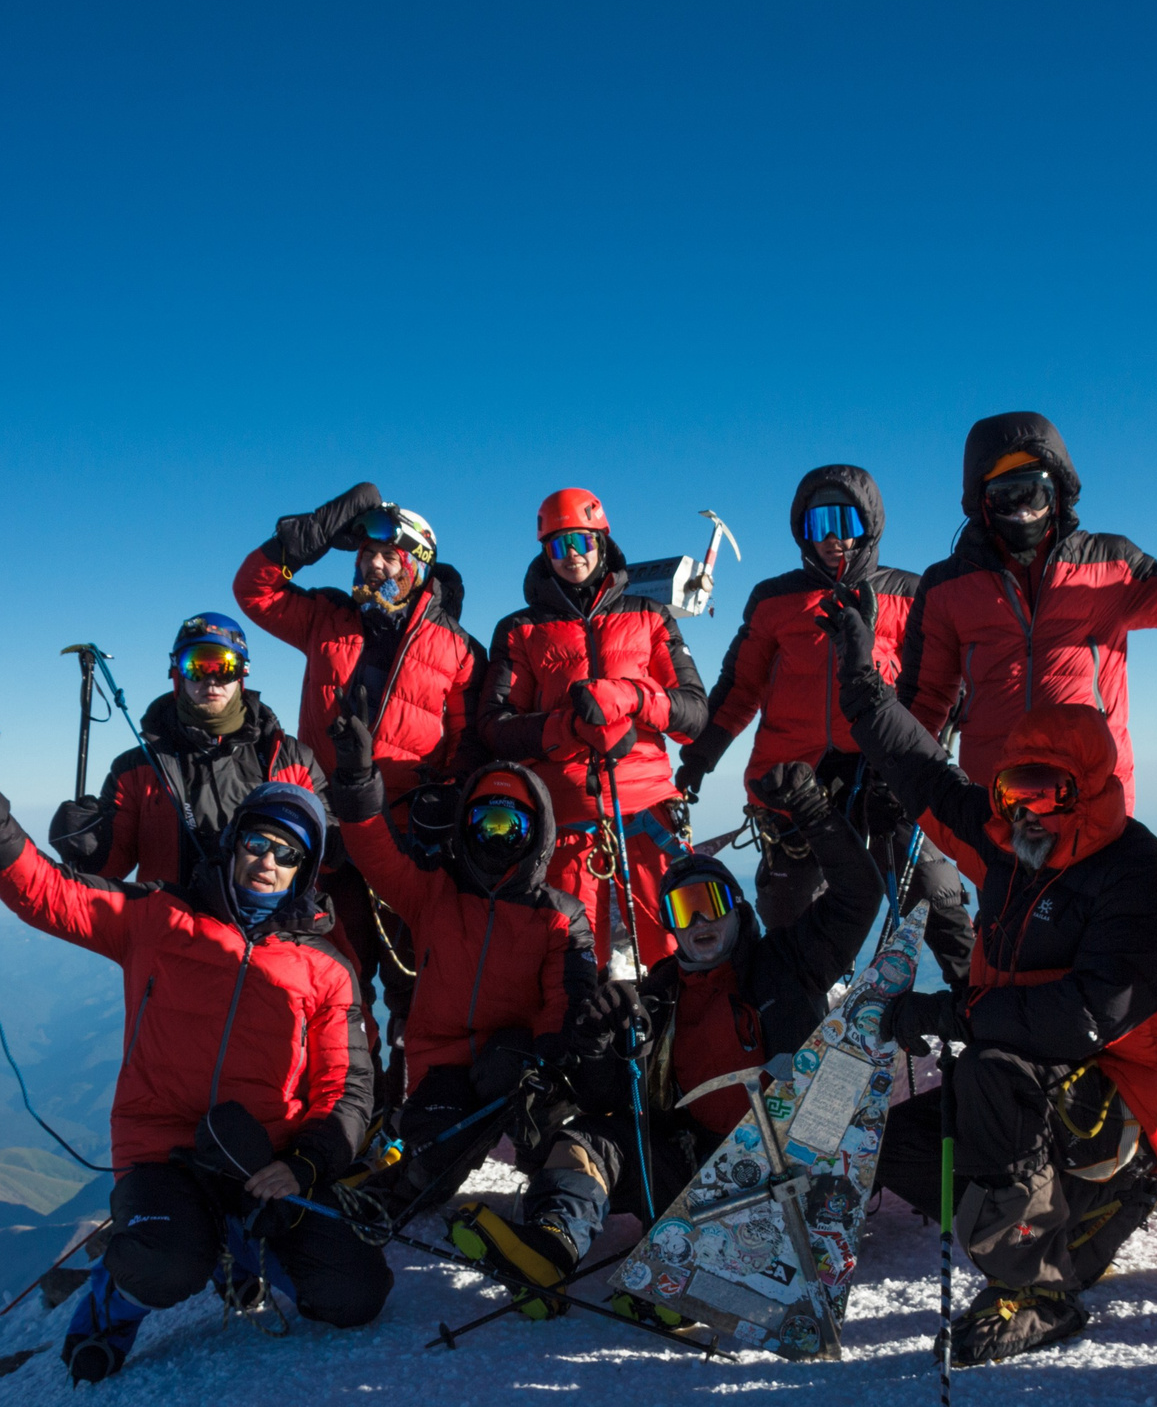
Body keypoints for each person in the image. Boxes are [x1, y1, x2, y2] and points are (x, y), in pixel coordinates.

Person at [0, 740, 388, 1383]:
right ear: (234, 842)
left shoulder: (327, 969)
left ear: (303, 873)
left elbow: (348, 1087)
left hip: (264, 1160)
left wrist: (303, 1166)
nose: (268, 861)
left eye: (288, 854)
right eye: (258, 841)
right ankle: (110, 1312)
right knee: (166, 1264)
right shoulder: (158, 918)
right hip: (164, 1150)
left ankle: (243, 1255)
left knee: (354, 1294)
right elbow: (48, 893)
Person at [824, 597, 1157, 1367]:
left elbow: (1086, 1017)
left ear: (1086, 788)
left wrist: (953, 1012)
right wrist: (861, 678)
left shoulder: (1139, 877)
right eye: (1009, 793)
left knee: (991, 1074)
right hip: (1038, 1075)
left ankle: (1041, 1281)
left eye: (1045, 793)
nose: (1022, 813)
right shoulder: (1012, 848)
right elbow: (922, 772)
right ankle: (1048, 1209)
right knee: (901, 1148)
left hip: (1122, 1085)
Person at [440, 761, 883, 1312]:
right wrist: (600, 1040)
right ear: (670, 927)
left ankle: (701, 1281)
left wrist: (814, 813)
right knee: (591, 1139)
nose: (700, 920)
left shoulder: (791, 963)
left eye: (711, 903)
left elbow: (860, 895)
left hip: (785, 1173)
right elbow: (612, 1103)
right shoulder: (660, 996)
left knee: (750, 1196)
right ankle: (550, 1248)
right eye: (683, 908)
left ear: (738, 911)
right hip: (696, 1169)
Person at [679, 463, 973, 987]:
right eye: (819, 525)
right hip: (795, 779)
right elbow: (740, 686)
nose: (834, 538)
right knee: (795, 917)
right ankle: (802, 1023)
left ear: (871, 524)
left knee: (932, 889)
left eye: (847, 520)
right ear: (801, 532)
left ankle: (977, 999)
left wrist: (920, 763)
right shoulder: (774, 599)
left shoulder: (910, 593)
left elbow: (942, 688)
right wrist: (701, 757)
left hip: (887, 774)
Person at [322, 696, 604, 1222]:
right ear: (464, 828)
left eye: (510, 826)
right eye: (484, 824)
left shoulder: (558, 915)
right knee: (431, 1166)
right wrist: (358, 778)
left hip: (517, 1062)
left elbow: (568, 996)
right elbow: (375, 853)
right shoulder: (435, 892)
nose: (495, 838)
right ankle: (385, 1194)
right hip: (441, 1066)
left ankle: (555, 1215)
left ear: (535, 834)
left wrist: (547, 1059)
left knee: (554, 1131)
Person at [897, 410, 1157, 808]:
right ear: (983, 504)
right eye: (1007, 497)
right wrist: (897, 776)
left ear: (1057, 493)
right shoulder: (946, 587)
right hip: (997, 805)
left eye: (1034, 494)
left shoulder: (1109, 565)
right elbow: (925, 700)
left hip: (1094, 802)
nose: (1023, 513)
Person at [233, 486, 487, 1034]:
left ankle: (408, 1100)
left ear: (418, 563)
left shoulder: (459, 650)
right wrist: (317, 530)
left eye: (387, 555)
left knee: (415, 988)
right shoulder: (327, 616)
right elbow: (252, 590)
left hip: (402, 840)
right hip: (324, 837)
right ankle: (349, 1104)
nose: (372, 565)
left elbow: (470, 744)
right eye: (366, 554)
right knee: (329, 982)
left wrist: (445, 799)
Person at [478, 487, 708, 971]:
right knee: (576, 967)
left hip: (651, 818)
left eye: (582, 541)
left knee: (675, 957)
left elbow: (694, 717)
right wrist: (566, 728)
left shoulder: (650, 615)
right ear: (545, 553)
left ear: (603, 541)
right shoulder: (520, 629)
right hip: (567, 829)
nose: (573, 555)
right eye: (559, 546)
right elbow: (495, 729)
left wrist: (633, 697)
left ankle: (675, 1045)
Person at [49, 612, 320, 888]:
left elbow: (328, 854)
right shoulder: (134, 770)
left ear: (242, 673)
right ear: (178, 674)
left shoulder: (291, 759)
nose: (211, 680)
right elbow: (109, 868)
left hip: (267, 927)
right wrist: (88, 845)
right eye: (196, 666)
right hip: (172, 926)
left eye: (225, 666)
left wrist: (354, 786)